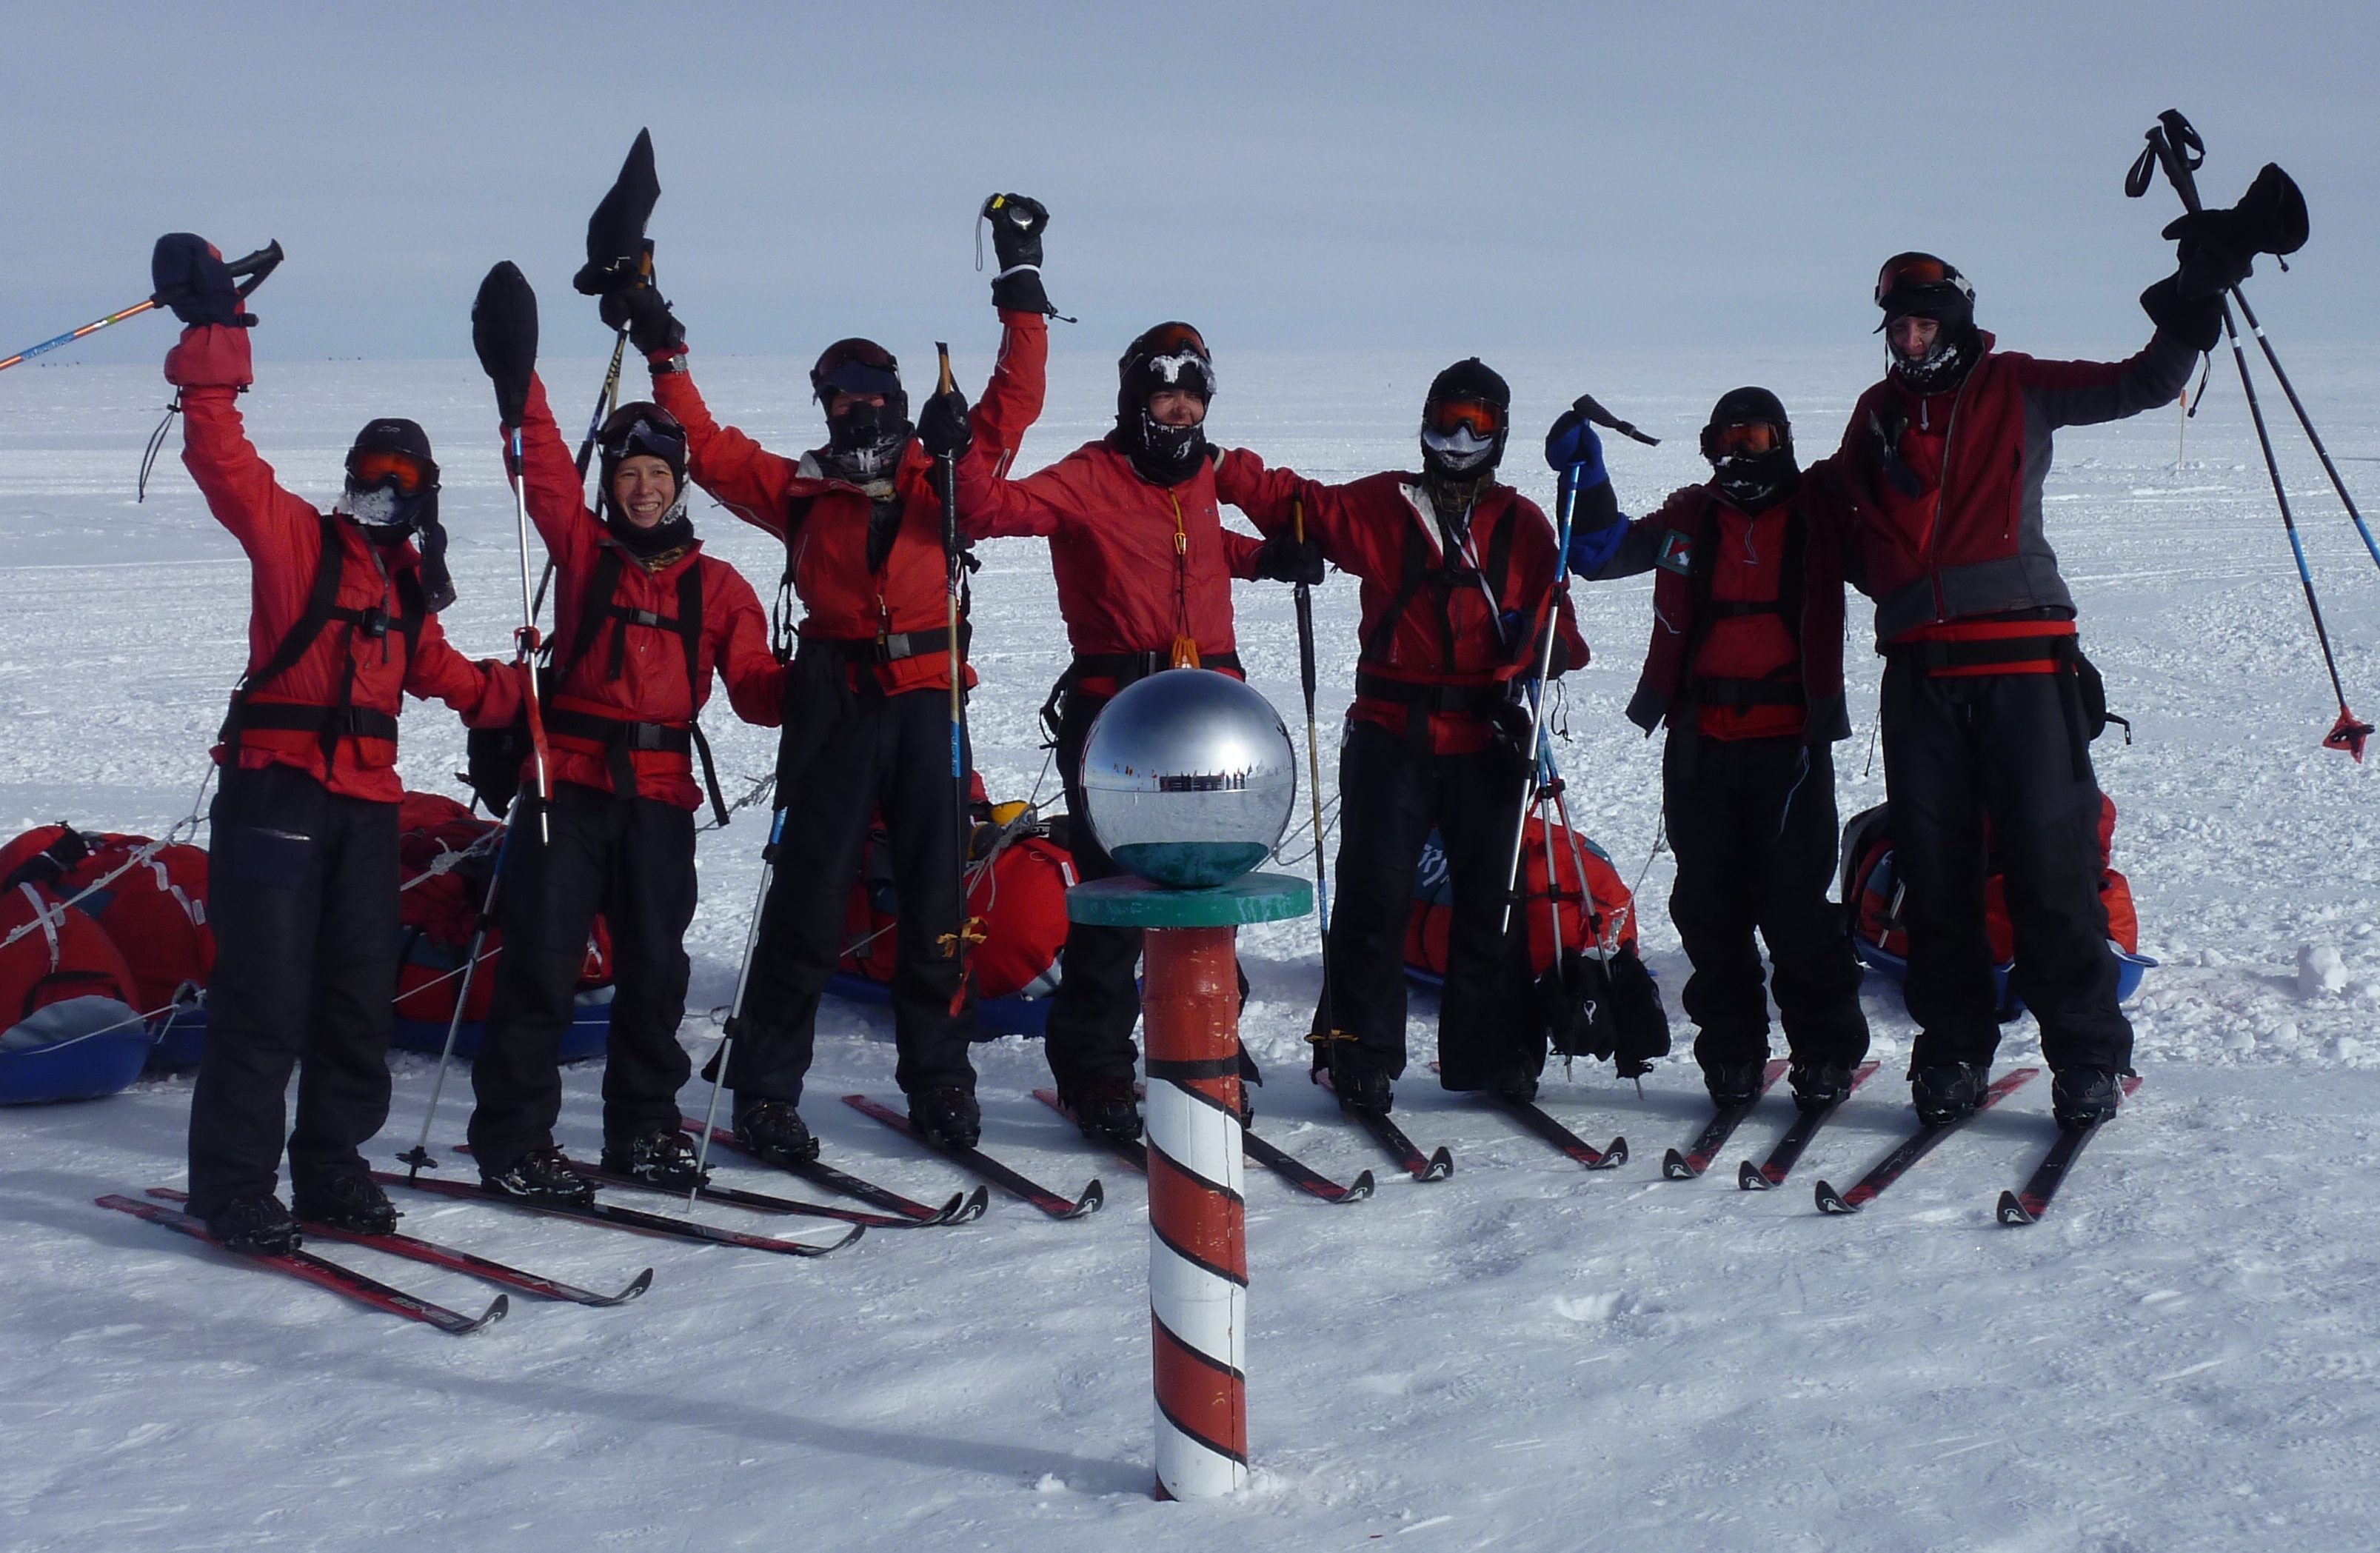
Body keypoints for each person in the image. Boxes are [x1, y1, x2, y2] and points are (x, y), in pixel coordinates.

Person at [593, 195, 1057, 1158]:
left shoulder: (944, 479)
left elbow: (1013, 402)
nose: (858, 410)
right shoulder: (800, 494)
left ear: (895, 401)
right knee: (803, 903)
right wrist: (661, 345)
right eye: (840, 397)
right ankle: (765, 1091)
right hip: (833, 706)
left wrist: (1021, 279)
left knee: (936, 905)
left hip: (930, 708)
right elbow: (710, 452)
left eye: (873, 394)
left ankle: (939, 1083)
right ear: (826, 408)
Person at [153, 233, 521, 1254]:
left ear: (424, 496)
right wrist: (217, 333)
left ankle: (330, 1168)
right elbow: (219, 450)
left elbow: (448, 678)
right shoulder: (293, 541)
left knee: (358, 999)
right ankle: (232, 1185)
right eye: (372, 467)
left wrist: (526, 704)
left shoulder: (407, 590)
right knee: (264, 1000)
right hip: (275, 795)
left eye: (404, 475)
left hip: (365, 809)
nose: (385, 485)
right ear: (350, 474)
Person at [1831, 250, 2218, 1128]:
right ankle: (1954, 1049)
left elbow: (2143, 382)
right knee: (1937, 875)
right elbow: (1830, 505)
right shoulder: (1876, 414)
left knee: (2050, 866)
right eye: (1897, 324)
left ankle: (2085, 1054)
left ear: (1955, 322)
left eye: (1923, 323)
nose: (1908, 338)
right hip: (1919, 673)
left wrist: (2194, 299)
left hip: (2021, 660)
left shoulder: (2015, 386)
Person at [943, 319, 1319, 1143]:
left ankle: (1207, 1045)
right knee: (1114, 905)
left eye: (1193, 397)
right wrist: (959, 451)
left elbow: (1195, 547)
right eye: (1164, 394)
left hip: (1210, 713)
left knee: (1208, 887)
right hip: (1116, 717)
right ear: (1135, 399)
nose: (1180, 411)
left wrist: (1266, 560)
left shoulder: (1201, 475)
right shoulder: (1089, 475)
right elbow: (989, 508)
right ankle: (1097, 1072)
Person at [460, 262, 785, 1198]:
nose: (641, 490)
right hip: (567, 788)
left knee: (655, 975)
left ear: (679, 483)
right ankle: (512, 1139)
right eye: (628, 475)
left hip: (659, 799)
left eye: (656, 475)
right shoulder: (582, 548)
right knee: (541, 969)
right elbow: (542, 461)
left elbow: (756, 689)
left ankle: (642, 1129)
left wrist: (819, 687)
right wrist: (516, 377)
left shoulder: (718, 588)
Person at [1211, 359, 1591, 1113]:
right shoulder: (1385, 507)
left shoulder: (1522, 525)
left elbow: (1566, 638)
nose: (1456, 440)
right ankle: (1357, 1054)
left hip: (1485, 738)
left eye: (1475, 426)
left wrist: (1533, 640)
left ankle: (1496, 1055)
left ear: (1499, 435)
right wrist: (1220, 467)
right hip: (1391, 735)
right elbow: (1294, 502)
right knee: (1373, 896)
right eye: (1444, 421)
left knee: (1492, 900)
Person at [1555, 387, 1871, 1112]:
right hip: (1698, 744)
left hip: (1789, 748)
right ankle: (1731, 1052)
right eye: (1728, 439)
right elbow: (1599, 555)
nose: (1741, 453)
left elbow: (1895, 569)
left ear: (1783, 440)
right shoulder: (1688, 520)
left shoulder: (1818, 520)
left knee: (1794, 911)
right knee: (1709, 907)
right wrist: (1586, 476)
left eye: (1757, 438)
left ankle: (1823, 1053)